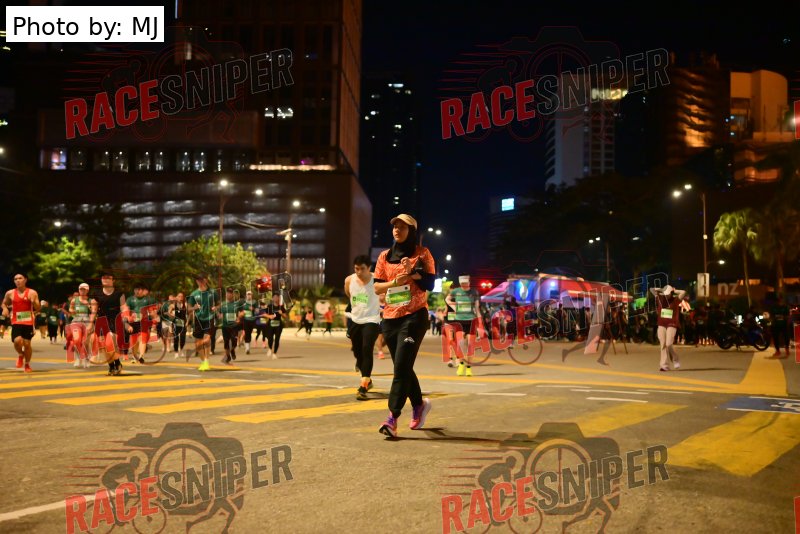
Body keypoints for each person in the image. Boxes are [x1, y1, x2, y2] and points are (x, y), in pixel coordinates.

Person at [374, 214, 436, 437]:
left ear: (412, 231)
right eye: (395, 227)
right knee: (404, 366)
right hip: (390, 318)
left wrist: (412, 272)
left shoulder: (423, 253)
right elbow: (377, 288)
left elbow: (430, 283)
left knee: (400, 368)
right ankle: (419, 405)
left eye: (402, 227)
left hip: (414, 316)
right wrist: (394, 282)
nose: (397, 230)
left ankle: (392, 418)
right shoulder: (384, 256)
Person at [345, 254, 382, 400]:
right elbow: (349, 294)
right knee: (357, 352)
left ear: (369, 268)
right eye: (356, 269)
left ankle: (364, 385)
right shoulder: (349, 280)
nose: (359, 272)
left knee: (367, 348)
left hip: (372, 320)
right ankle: (367, 379)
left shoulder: (377, 280)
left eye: (362, 269)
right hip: (355, 320)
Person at [89, 271, 128, 376]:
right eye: (103, 277)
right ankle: (112, 365)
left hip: (115, 321)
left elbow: (123, 307)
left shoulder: (119, 294)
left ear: (113, 280)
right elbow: (94, 310)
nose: (105, 279)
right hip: (101, 321)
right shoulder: (96, 293)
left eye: (108, 278)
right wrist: (90, 323)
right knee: (104, 346)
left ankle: (117, 363)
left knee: (109, 343)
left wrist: (126, 317)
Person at [2, 273, 41, 373]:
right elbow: (4, 303)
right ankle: (20, 354)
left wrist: (34, 302)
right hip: (16, 321)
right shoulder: (10, 293)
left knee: (27, 344)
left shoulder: (32, 292)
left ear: (25, 280)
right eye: (15, 279)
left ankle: (27, 364)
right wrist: (5, 309)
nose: (18, 280)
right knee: (17, 341)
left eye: (20, 278)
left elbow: (38, 308)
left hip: (28, 321)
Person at [445, 275, 482, 377]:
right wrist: (454, 307)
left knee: (471, 346)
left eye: (465, 283)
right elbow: (447, 299)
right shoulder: (456, 291)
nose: (464, 285)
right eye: (462, 284)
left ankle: (469, 368)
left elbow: (477, 309)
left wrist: (480, 324)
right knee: (459, 344)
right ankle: (461, 364)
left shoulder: (474, 292)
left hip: (471, 321)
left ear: (469, 282)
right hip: (460, 321)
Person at [651, 285, 686, 371]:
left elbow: (683, 292)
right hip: (661, 324)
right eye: (665, 294)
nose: (666, 295)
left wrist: (675, 290)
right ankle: (664, 365)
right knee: (663, 344)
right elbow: (651, 289)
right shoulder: (660, 298)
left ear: (671, 293)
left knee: (669, 344)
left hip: (672, 324)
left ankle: (675, 359)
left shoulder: (675, 300)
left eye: (668, 294)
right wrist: (661, 290)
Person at [188, 273, 217, 371]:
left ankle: (207, 361)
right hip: (198, 319)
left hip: (209, 317)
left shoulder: (212, 292)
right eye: (198, 280)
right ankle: (203, 362)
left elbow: (219, 304)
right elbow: (189, 308)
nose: (199, 282)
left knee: (207, 340)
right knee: (198, 343)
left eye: (201, 280)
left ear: (206, 280)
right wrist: (194, 307)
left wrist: (216, 307)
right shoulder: (194, 294)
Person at [67, 283, 92, 368]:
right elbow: (70, 308)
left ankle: (87, 359)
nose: (82, 291)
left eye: (84, 289)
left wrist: (88, 305)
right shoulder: (74, 300)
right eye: (81, 289)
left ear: (87, 290)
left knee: (86, 342)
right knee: (76, 340)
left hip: (87, 321)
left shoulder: (91, 300)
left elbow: (94, 311)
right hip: (76, 320)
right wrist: (72, 311)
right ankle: (78, 358)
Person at [217, 287, 244, 365]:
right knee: (226, 343)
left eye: (230, 293)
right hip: (225, 326)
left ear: (233, 294)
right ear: (226, 294)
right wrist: (219, 316)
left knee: (234, 342)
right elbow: (219, 314)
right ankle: (228, 357)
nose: (229, 294)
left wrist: (239, 317)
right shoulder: (222, 304)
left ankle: (232, 350)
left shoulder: (237, 304)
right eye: (228, 293)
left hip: (234, 326)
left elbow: (243, 312)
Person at [264, 291, 286, 360]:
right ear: (272, 298)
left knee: (277, 339)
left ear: (279, 298)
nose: (276, 298)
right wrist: (269, 316)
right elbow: (264, 314)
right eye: (274, 297)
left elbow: (285, 316)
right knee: (270, 338)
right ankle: (270, 348)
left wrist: (282, 313)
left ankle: (275, 353)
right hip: (270, 324)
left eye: (277, 297)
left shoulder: (281, 307)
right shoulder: (269, 306)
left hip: (278, 325)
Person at [770, 294, 791, 358]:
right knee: (775, 338)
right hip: (776, 325)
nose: (780, 301)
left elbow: (788, 316)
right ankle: (777, 351)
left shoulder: (785, 307)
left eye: (781, 299)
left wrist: (787, 323)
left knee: (786, 337)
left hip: (784, 325)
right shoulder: (773, 307)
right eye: (778, 299)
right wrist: (772, 322)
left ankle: (787, 349)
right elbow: (771, 316)